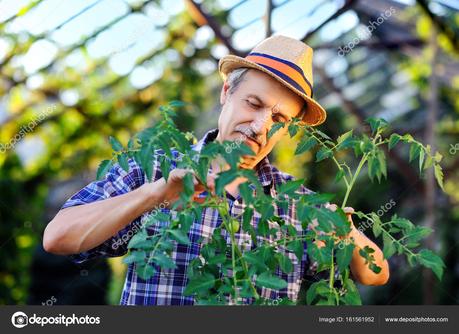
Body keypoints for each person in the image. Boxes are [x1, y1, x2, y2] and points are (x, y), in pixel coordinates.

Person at [43, 35, 389, 305]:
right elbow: (59, 238)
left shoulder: (297, 206)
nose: (259, 126)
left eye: (279, 119)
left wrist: (345, 233)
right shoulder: (154, 170)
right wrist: (154, 195)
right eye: (253, 104)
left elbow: (375, 273)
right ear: (227, 92)